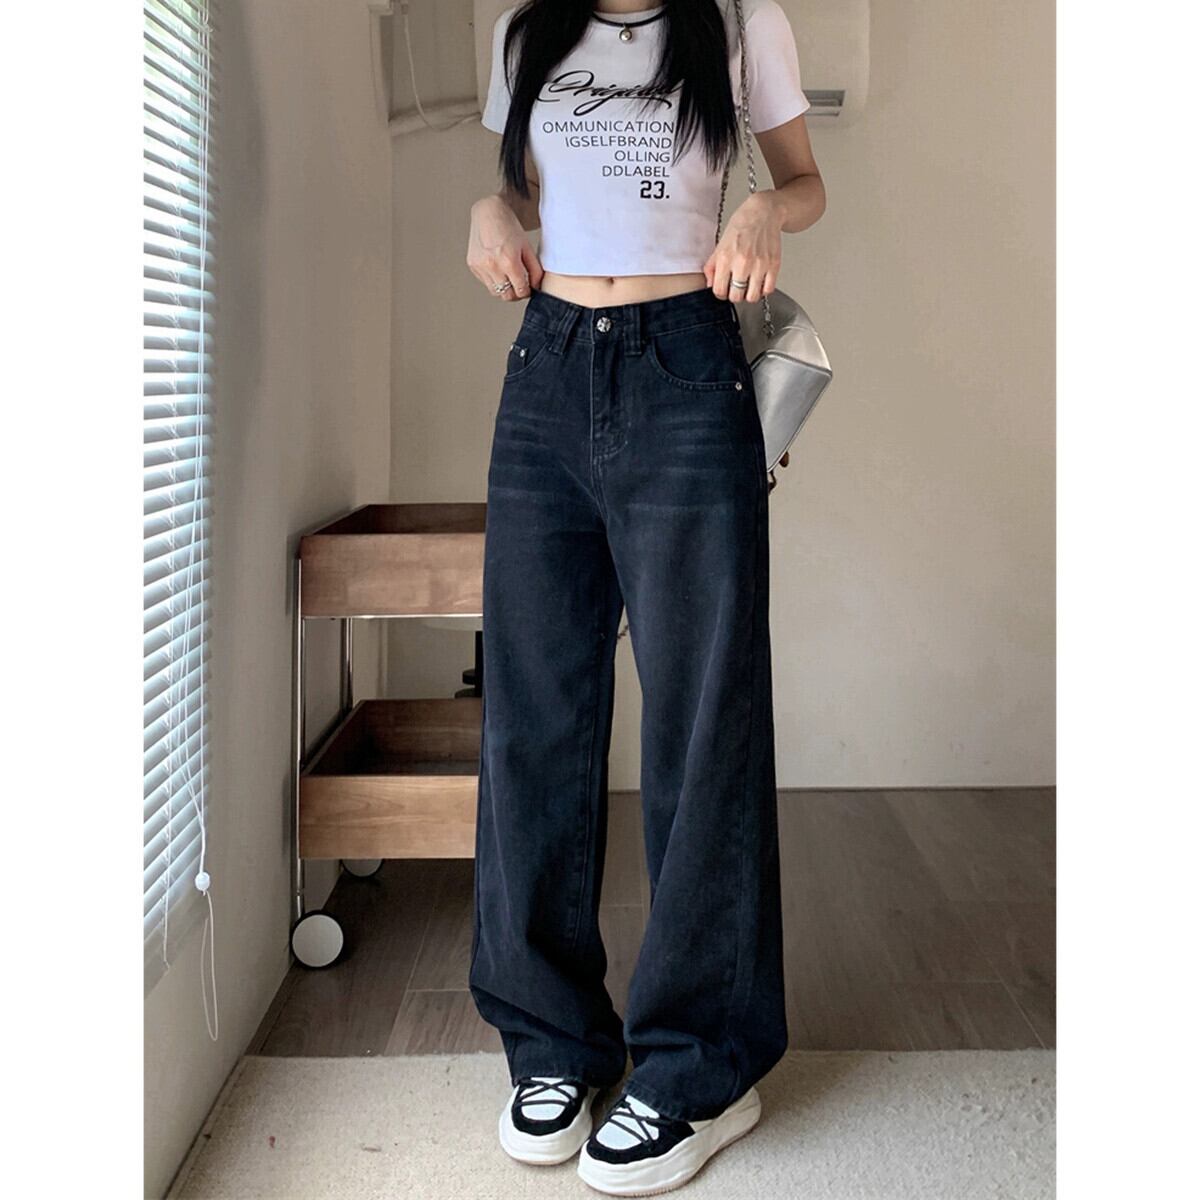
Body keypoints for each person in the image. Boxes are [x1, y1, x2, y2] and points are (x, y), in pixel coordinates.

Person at [465, 0, 825, 1192]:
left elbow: (805, 181)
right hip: (548, 369)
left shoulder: (739, 21)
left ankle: (700, 1066)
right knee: (533, 710)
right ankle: (551, 1043)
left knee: (701, 719)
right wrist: (487, 210)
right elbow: (522, 195)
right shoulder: (527, 30)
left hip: (685, 364)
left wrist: (767, 209)